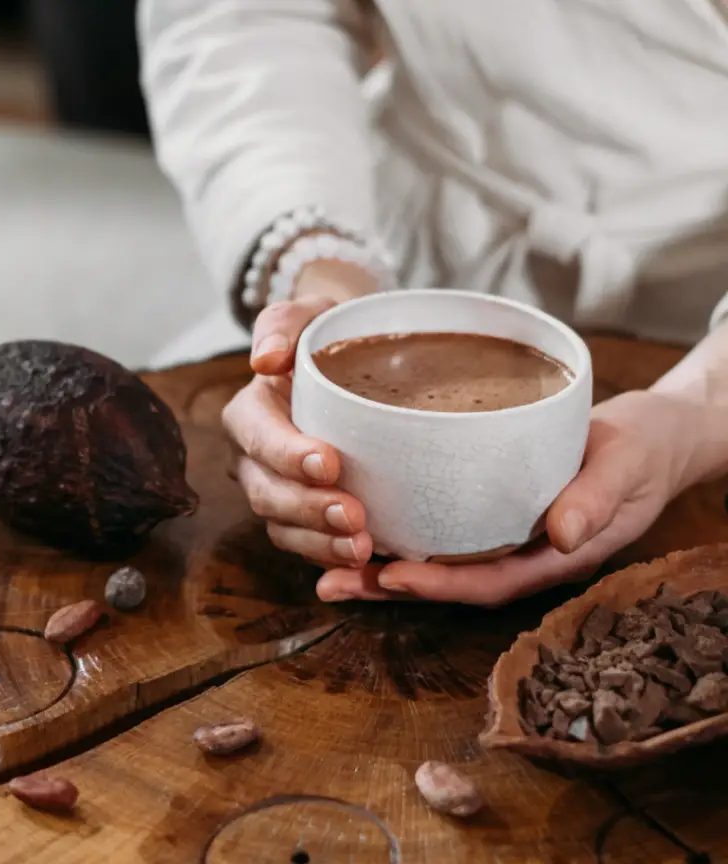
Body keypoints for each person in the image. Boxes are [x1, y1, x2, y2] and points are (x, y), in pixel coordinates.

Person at [138, 0, 728, 606]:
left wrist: (697, 411)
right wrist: (324, 277)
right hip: (387, 243)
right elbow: (248, 19)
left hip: (700, 330)